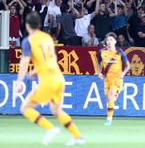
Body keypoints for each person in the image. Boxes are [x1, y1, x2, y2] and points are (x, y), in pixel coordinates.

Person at [15, 12, 83, 145]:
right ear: (40, 25)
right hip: (59, 78)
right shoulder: (47, 38)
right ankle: (77, 136)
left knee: (25, 108)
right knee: (56, 110)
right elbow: (52, 59)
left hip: (47, 81)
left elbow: (24, 62)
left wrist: (19, 82)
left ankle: (50, 129)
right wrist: (36, 71)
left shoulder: (28, 41)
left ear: (27, 25)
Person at [97, 32, 130, 126]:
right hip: (107, 79)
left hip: (117, 79)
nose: (109, 42)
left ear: (115, 41)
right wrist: (99, 72)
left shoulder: (119, 52)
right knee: (108, 99)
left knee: (111, 96)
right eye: (107, 40)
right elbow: (98, 63)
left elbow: (128, 65)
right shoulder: (102, 52)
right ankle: (119, 90)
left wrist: (123, 73)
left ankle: (109, 119)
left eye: (111, 40)